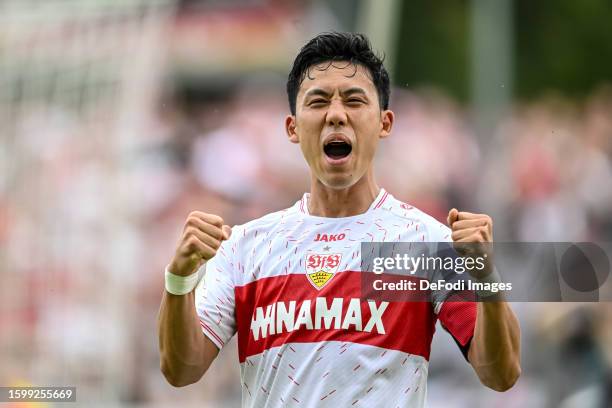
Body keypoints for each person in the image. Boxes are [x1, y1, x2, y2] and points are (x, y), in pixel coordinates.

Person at [158, 32, 520, 407]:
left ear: (385, 123)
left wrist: (486, 278)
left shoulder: (425, 241)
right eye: (317, 102)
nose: (335, 114)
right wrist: (180, 278)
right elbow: (181, 369)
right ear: (292, 128)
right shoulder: (246, 246)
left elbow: (500, 373)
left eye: (354, 100)